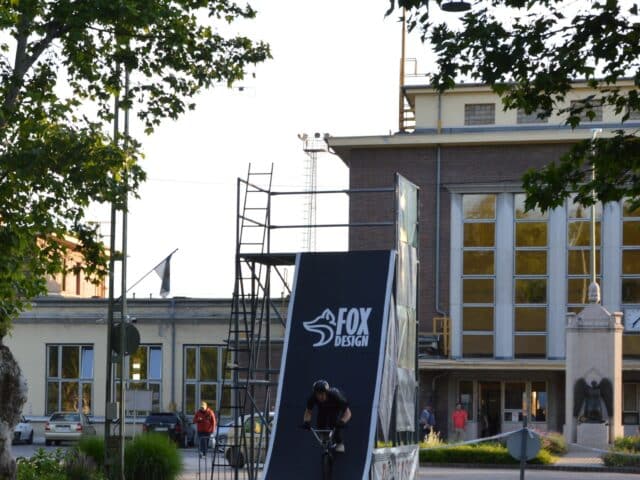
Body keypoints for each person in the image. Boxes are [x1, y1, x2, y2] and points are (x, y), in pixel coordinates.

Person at [302, 379, 352, 453]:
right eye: (318, 394)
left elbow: (348, 412)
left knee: (334, 423)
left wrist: (342, 422)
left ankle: (339, 442)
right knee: (320, 422)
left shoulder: (336, 396)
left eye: (322, 394)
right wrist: (306, 421)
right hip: (323, 408)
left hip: (335, 407)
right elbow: (308, 411)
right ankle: (325, 437)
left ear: (327, 393)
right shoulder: (312, 398)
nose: (320, 397)